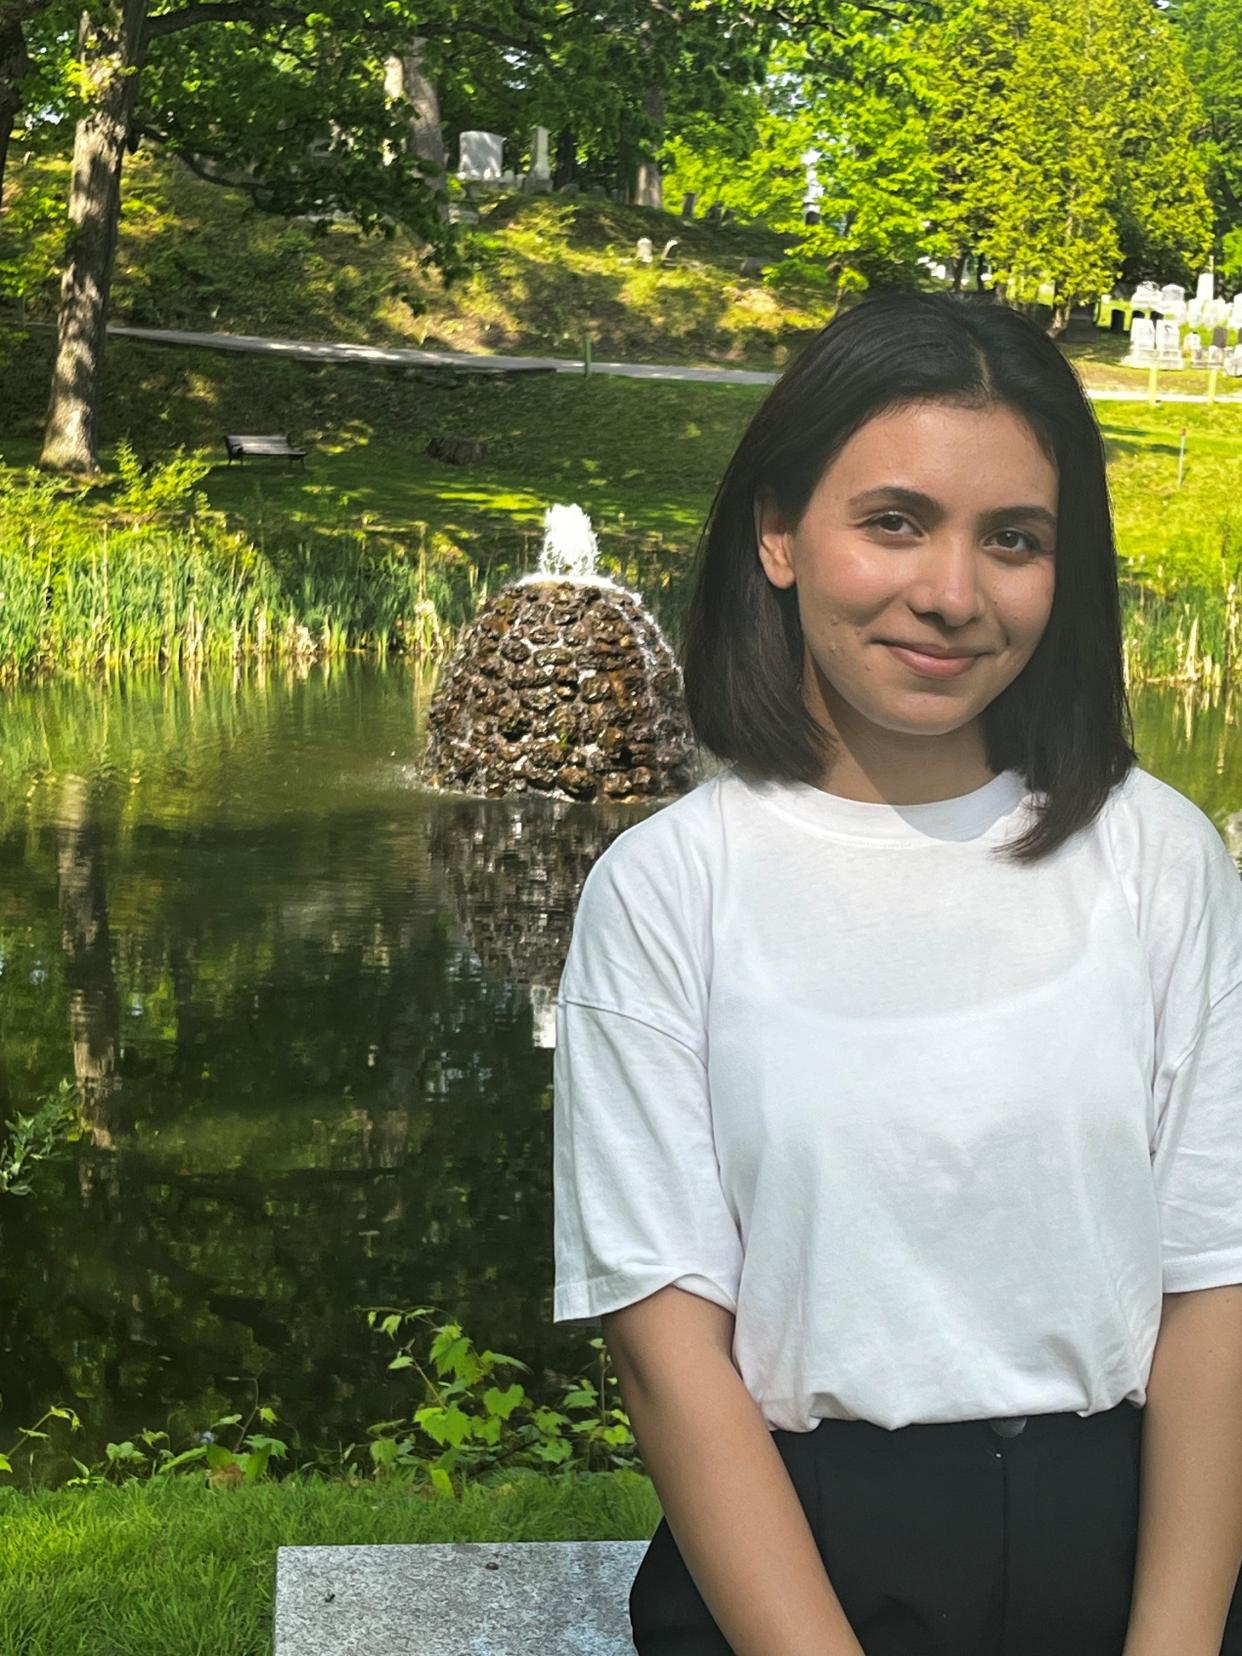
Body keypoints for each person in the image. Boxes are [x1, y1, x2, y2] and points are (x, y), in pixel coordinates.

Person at [550, 291, 1242, 1656]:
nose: (950, 594)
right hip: (794, 1568)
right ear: (777, 532)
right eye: (893, 521)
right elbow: (664, 1340)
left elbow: (1212, 1284)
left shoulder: (1155, 856)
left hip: (1127, 1545)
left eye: (1013, 541)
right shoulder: (669, 887)